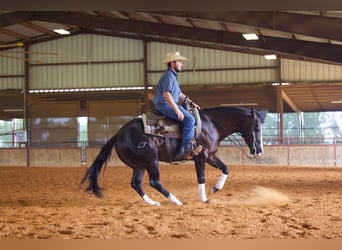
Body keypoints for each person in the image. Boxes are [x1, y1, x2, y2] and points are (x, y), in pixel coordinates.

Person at [153, 51, 202, 160]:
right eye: (179, 61)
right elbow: (166, 94)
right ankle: (187, 149)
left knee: (187, 115)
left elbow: (179, 94)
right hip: (164, 105)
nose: (181, 64)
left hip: (167, 104)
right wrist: (177, 110)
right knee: (189, 119)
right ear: (172, 64)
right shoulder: (169, 76)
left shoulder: (173, 77)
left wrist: (191, 102)